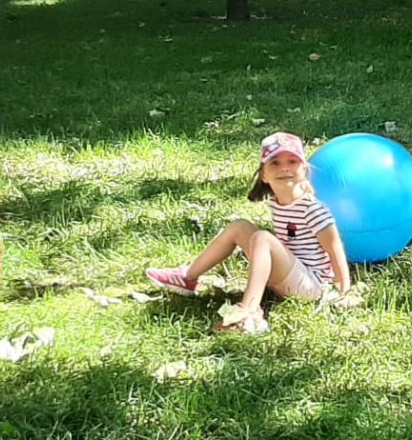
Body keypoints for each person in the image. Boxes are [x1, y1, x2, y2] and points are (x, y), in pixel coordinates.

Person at [146, 132, 352, 335]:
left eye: (292, 161)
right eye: (275, 163)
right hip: (289, 276)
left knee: (262, 238)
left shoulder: (312, 209)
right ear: (264, 175)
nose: (284, 168)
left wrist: (343, 291)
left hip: (311, 287)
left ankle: (248, 312)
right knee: (240, 227)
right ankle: (188, 277)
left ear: (304, 170)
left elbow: (334, 248)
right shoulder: (278, 203)